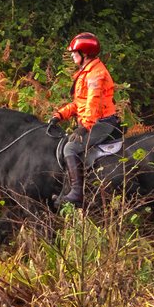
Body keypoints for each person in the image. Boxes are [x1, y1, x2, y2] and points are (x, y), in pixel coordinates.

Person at [52, 32, 121, 208]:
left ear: (85, 53)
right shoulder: (86, 72)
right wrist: (60, 115)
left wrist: (85, 127)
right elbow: (79, 103)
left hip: (103, 122)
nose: (72, 55)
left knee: (71, 147)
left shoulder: (96, 74)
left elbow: (93, 102)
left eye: (75, 52)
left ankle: (76, 192)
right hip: (93, 120)